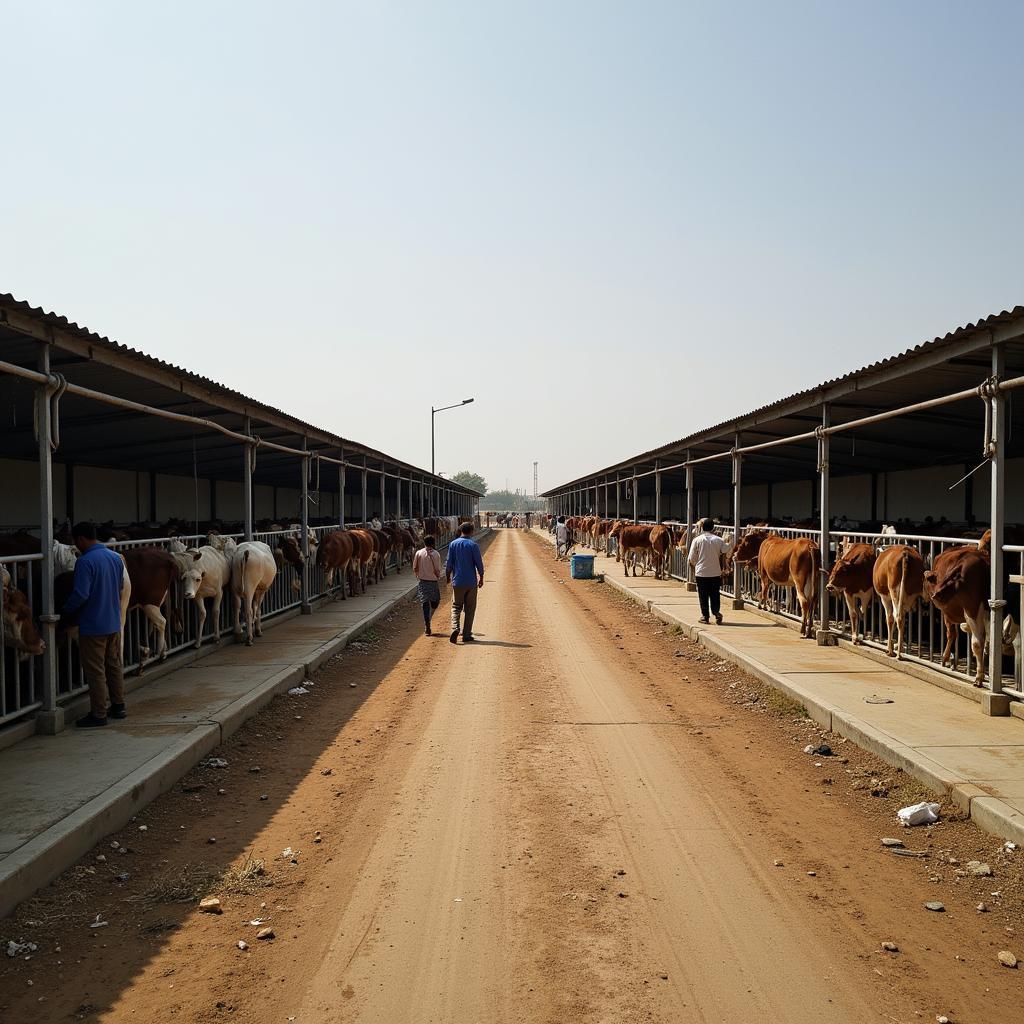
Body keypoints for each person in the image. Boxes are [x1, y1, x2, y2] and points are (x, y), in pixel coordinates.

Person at [62, 521, 128, 728]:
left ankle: (99, 713)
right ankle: (119, 706)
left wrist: (65, 610)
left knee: (95, 671)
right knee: (114, 666)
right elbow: (119, 586)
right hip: (113, 622)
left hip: (93, 625)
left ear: (81, 539)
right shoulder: (115, 557)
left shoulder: (85, 561)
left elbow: (81, 594)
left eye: (75, 541)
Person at [687, 517, 732, 625]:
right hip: (715, 573)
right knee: (715, 594)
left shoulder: (697, 540)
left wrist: (693, 565)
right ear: (713, 528)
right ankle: (716, 613)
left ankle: (705, 616)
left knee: (703, 595)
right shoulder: (718, 540)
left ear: (702, 527)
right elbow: (726, 550)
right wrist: (730, 541)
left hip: (701, 572)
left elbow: (691, 558)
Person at [445, 521, 484, 644]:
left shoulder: (453, 544)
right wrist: (481, 577)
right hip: (471, 582)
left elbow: (449, 564)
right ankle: (466, 634)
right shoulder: (473, 545)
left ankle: (455, 628)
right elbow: (479, 563)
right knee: (470, 608)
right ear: (472, 531)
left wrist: (448, 577)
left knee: (456, 606)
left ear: (460, 530)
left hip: (457, 581)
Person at [412, 534, 444, 636]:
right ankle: (428, 621)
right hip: (433, 582)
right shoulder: (436, 554)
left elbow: (415, 567)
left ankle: (427, 624)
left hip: (422, 582)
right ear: (433, 543)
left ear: (424, 542)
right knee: (435, 602)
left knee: (425, 604)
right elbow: (438, 569)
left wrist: (418, 575)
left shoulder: (418, 553)